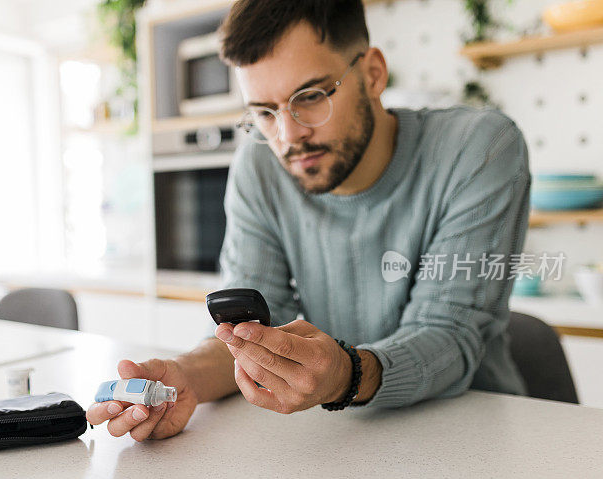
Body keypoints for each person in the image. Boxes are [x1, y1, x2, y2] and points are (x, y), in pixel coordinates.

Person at [86, 0, 530, 441]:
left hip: (471, 432)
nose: (288, 135)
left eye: (311, 97)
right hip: (340, 438)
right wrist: (186, 376)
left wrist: (347, 375)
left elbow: (449, 334)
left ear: (373, 73)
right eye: (263, 112)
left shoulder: (479, 148)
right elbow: (249, 335)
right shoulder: (259, 165)